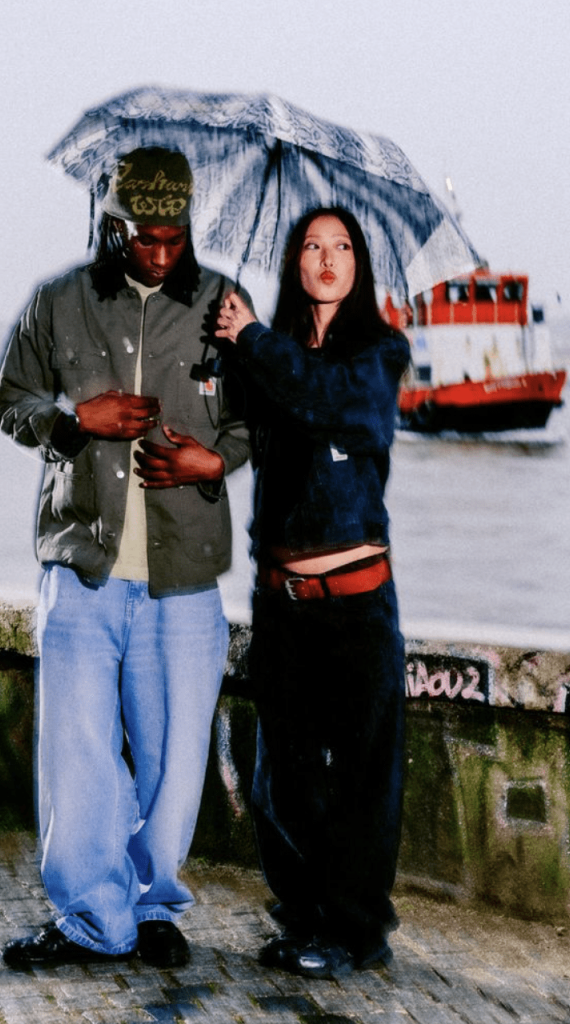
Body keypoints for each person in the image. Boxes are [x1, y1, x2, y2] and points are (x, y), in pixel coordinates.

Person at [0, 147, 250, 970]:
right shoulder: (58, 302)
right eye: (145, 237)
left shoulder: (223, 307)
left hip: (184, 580)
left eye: (175, 237)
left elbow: (258, 416)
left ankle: (152, 905)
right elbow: (9, 398)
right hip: (81, 568)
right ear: (114, 225)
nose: (162, 252)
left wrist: (215, 459)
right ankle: (91, 921)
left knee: (175, 763)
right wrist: (75, 420)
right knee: (78, 756)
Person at [216, 207, 410, 980]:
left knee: (363, 777)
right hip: (282, 604)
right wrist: (229, 352)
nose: (327, 258)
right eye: (311, 246)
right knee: (283, 777)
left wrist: (255, 340)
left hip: (358, 605)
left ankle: (358, 932)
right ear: (294, 264)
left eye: (342, 246)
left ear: (359, 264)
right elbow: (238, 428)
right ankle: (305, 918)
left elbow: (336, 404)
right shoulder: (273, 355)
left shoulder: (380, 354)